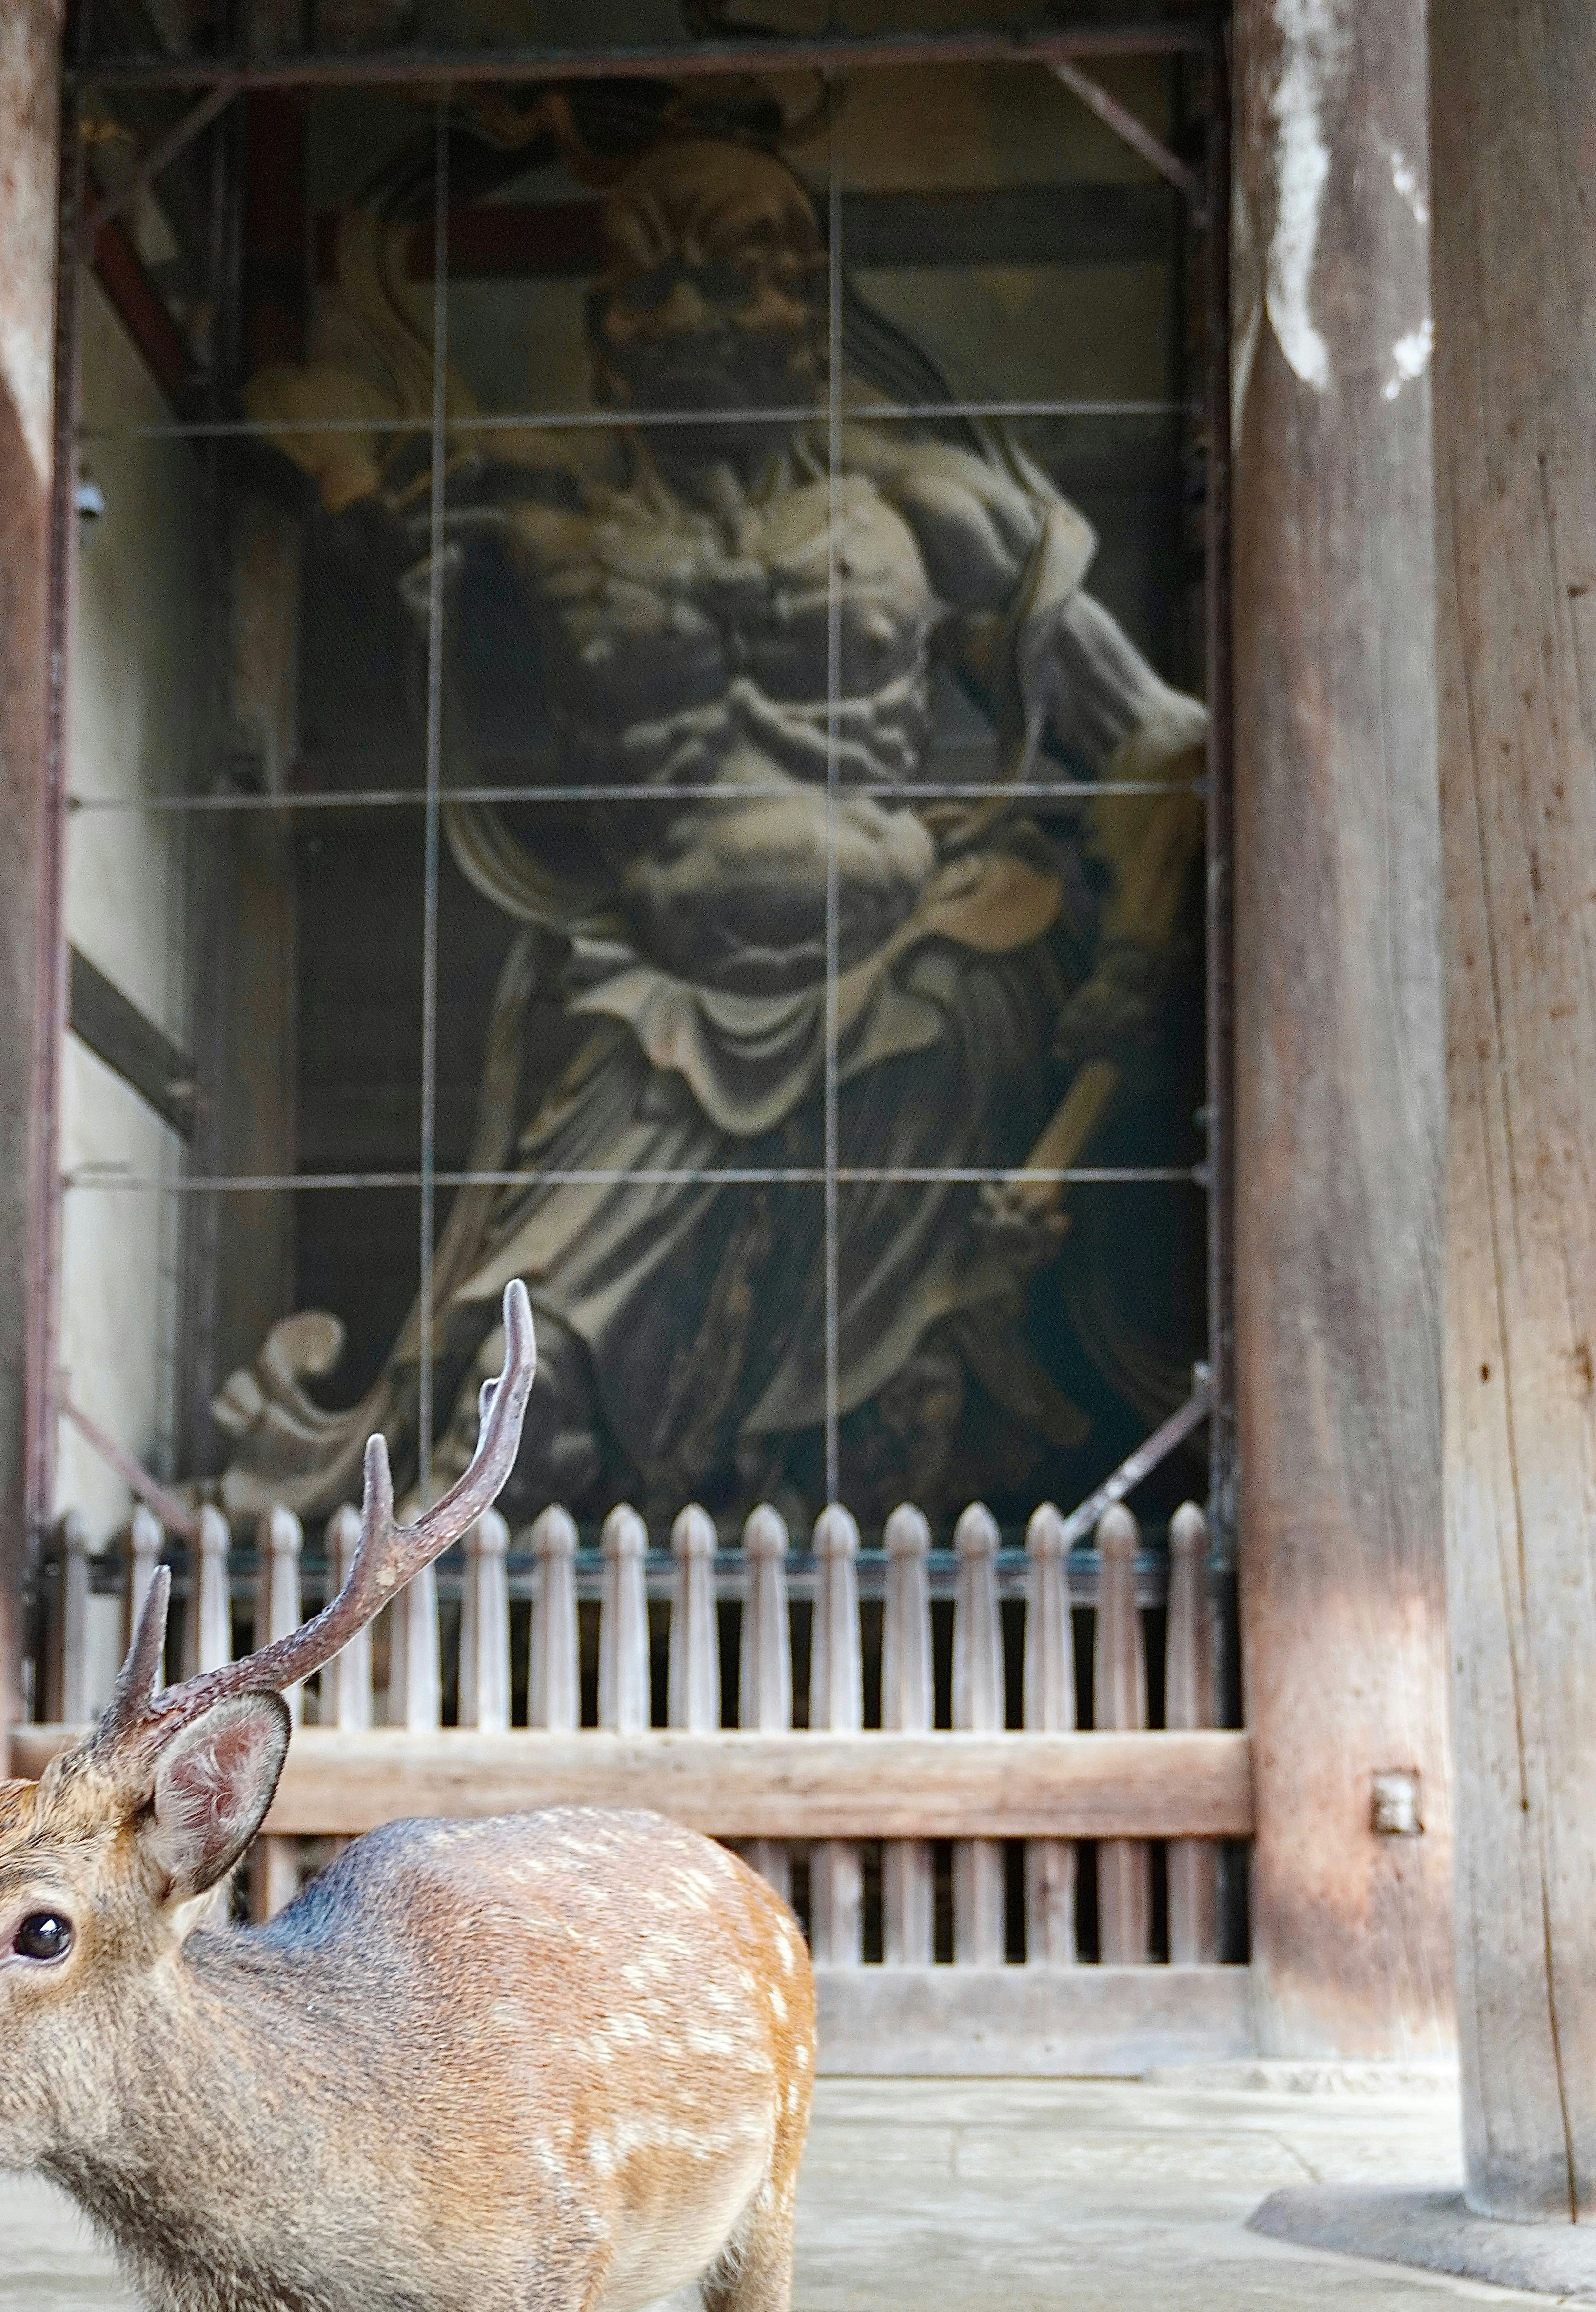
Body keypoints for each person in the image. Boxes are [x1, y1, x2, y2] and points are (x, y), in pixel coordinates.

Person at [218, 130, 1205, 1530]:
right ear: (602, 335)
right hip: (658, 1004)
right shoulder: (533, 498)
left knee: (912, 1401)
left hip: (916, 970)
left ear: (816, 310)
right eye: (655, 291)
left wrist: (1139, 944)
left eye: (743, 286)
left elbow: (1163, 734)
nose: (698, 326)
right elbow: (289, 405)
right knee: (530, 1374)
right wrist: (351, 477)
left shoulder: (931, 511)